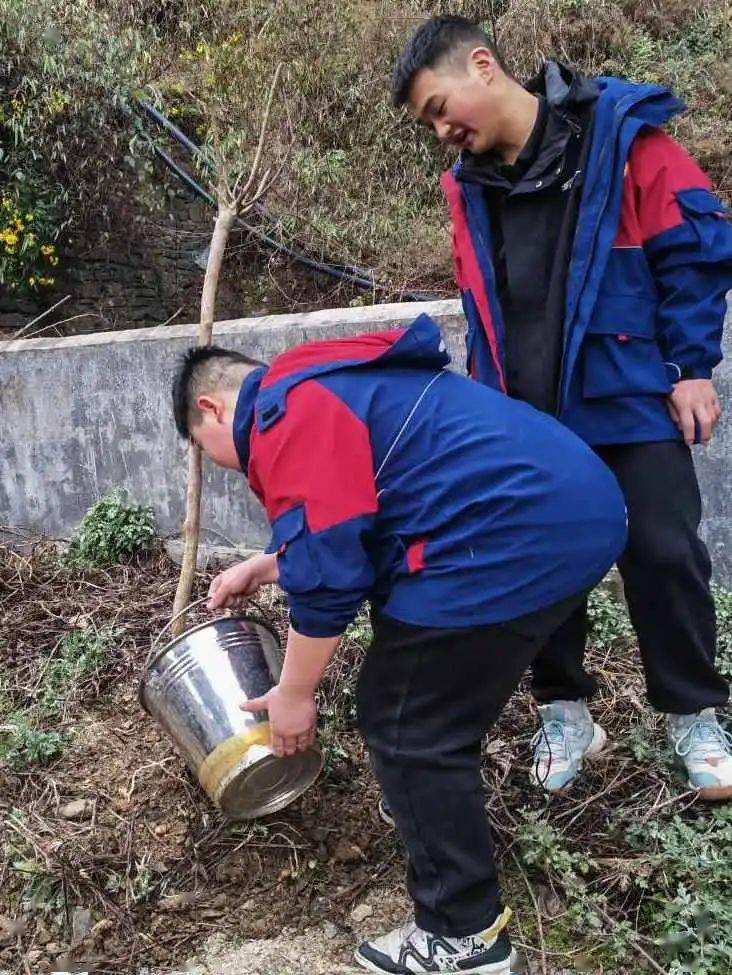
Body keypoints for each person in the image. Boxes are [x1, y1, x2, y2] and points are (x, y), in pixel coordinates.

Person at [171, 313, 627, 975]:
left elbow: (329, 579)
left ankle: (465, 936)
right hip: (571, 507)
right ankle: (427, 799)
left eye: (200, 443)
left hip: (516, 533)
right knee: (413, 667)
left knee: (407, 719)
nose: (215, 460)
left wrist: (295, 695)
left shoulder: (282, 418)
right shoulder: (317, 383)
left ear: (211, 408)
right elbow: (354, 507)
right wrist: (270, 562)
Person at [391, 15, 732, 798]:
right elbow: (482, 303)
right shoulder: (465, 187)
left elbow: (695, 251)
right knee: (540, 566)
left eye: (442, 106)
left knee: (664, 549)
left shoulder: (620, 138)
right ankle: (565, 707)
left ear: (483, 65)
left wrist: (689, 368)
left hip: (628, 391)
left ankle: (692, 712)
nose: (443, 130)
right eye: (429, 123)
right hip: (527, 413)